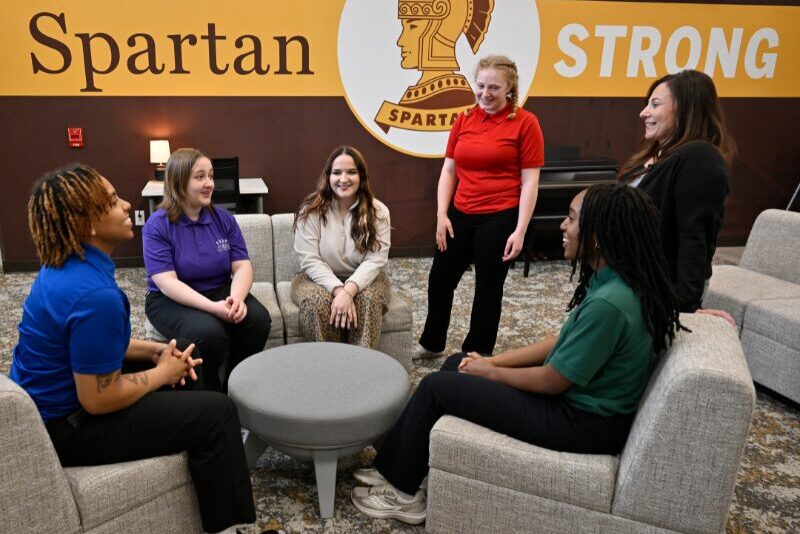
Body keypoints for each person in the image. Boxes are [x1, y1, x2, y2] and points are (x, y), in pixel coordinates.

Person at [350, 184, 685, 525]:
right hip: (580, 408)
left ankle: (402, 494)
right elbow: (560, 342)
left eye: (571, 219)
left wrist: (490, 373)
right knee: (456, 364)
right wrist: (489, 361)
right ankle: (399, 466)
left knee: (437, 388)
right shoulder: (615, 283)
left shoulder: (609, 304)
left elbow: (552, 380)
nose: (562, 226)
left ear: (599, 235)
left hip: (580, 422)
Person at [10, 164, 256, 534]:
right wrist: (160, 373)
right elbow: (97, 397)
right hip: (69, 428)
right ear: (88, 224)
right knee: (218, 412)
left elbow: (95, 345)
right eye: (112, 201)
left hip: (60, 405)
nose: (127, 205)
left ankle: (201, 486)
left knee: (188, 367)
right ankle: (228, 526)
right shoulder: (96, 296)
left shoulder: (63, 267)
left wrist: (156, 353)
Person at [417, 54, 544, 359]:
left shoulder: (526, 123)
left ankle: (476, 353)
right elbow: (449, 171)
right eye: (481, 85)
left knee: (488, 290)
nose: (485, 93)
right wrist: (441, 216)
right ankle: (432, 343)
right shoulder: (464, 119)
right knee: (440, 280)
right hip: (460, 214)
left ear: (510, 90)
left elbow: (530, 182)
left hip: (499, 218)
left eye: (494, 88)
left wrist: (520, 230)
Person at [143, 148, 270, 392]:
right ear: (179, 182)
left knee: (257, 320)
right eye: (200, 177)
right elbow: (167, 283)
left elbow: (242, 265)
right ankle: (210, 394)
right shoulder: (157, 225)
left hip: (218, 288)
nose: (209, 183)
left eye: (211, 176)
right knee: (209, 333)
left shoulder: (223, 219)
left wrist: (237, 299)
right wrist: (213, 308)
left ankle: (234, 385)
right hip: (170, 298)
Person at [618, 69, 736, 313]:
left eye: (655, 104)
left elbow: (694, 236)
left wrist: (686, 307)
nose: (644, 112)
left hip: (659, 292)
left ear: (685, 109)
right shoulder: (654, 156)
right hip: (629, 282)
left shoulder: (700, 159)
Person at [292, 146, 391, 347]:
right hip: (315, 279)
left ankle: (362, 370)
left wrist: (350, 290)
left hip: (366, 279)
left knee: (368, 301)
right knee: (317, 303)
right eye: (337, 172)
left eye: (351, 172)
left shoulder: (378, 211)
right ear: (328, 176)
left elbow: (375, 260)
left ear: (361, 176)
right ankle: (328, 368)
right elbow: (309, 260)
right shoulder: (310, 210)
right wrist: (339, 290)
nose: (343, 179)